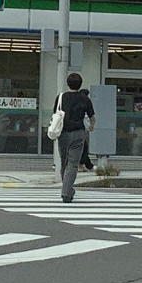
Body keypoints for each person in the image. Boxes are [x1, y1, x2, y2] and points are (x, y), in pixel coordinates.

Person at [53, 73, 95, 203]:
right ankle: (66, 192)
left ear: (67, 83)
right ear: (80, 84)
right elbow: (92, 116)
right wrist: (91, 126)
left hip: (63, 132)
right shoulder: (85, 99)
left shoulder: (61, 97)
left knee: (64, 161)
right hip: (78, 133)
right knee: (73, 164)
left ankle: (67, 189)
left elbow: (55, 114)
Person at [78, 88, 95, 172]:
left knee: (83, 147)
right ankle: (83, 164)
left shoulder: (77, 102)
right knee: (83, 147)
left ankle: (88, 165)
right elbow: (91, 116)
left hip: (79, 128)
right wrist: (91, 125)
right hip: (82, 129)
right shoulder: (85, 103)